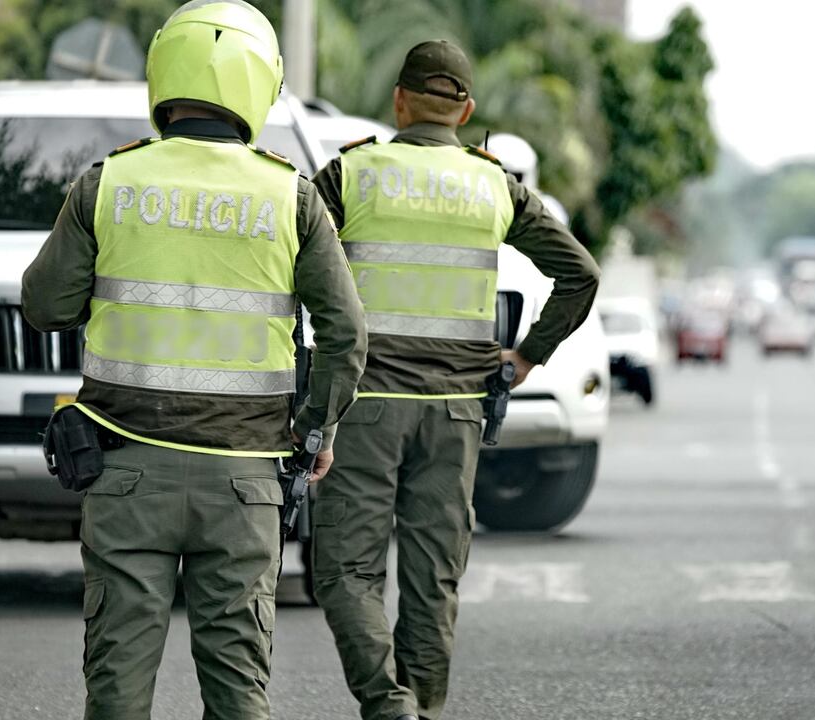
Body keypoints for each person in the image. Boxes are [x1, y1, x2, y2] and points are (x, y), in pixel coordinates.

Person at [20, 2, 368, 717]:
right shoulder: (290, 197)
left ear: (161, 74)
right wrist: (316, 432)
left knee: (116, 691)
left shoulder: (107, 184)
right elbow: (346, 336)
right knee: (238, 693)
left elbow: (44, 307)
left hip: (124, 476)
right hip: (244, 486)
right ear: (259, 85)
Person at [309, 40, 601, 720]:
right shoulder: (494, 183)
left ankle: (388, 703)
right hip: (456, 412)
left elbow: (291, 256)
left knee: (346, 570)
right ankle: (423, 708)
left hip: (366, 405)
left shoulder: (351, 173)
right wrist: (526, 357)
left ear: (399, 100)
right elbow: (580, 274)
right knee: (433, 574)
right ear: (466, 111)